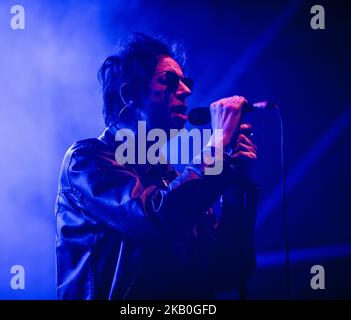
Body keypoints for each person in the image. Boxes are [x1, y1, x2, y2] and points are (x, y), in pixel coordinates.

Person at [55, 33, 258, 300]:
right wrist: (217, 144)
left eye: (187, 82)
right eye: (170, 80)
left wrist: (233, 187)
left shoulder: (170, 178)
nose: (186, 90)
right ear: (130, 94)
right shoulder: (86, 162)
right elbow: (155, 218)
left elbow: (226, 272)